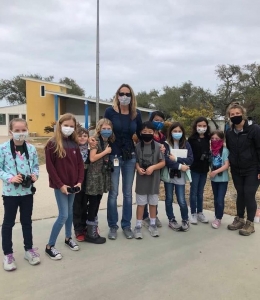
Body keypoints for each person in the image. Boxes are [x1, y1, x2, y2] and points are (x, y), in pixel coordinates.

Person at [0, 118, 40, 271]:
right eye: (17, 130)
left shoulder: (31, 149)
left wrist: (35, 175)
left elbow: (36, 166)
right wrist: (10, 178)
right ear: (10, 131)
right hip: (10, 192)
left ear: (27, 129)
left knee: (26, 221)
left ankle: (29, 250)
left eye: (23, 130)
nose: (20, 133)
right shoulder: (3, 148)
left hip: (27, 191)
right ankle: (8, 254)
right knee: (8, 223)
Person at [104, 83, 142, 240]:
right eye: (121, 93)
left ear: (131, 96)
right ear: (117, 95)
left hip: (130, 157)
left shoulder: (136, 114)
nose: (124, 96)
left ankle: (126, 225)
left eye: (127, 94)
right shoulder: (110, 112)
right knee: (113, 193)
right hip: (114, 156)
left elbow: (142, 134)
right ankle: (113, 225)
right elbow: (103, 130)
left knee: (127, 193)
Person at [45, 113, 84, 260]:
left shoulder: (74, 144)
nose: (68, 128)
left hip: (73, 185)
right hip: (61, 186)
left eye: (71, 126)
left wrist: (79, 181)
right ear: (59, 125)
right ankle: (50, 246)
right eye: (66, 125)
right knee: (63, 215)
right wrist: (60, 185)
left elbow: (80, 164)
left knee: (70, 212)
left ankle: (68, 238)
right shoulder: (52, 143)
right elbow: (50, 168)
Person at [225, 103, 260, 236]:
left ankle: (250, 224)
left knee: (249, 194)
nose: (235, 116)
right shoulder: (229, 132)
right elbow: (230, 149)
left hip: (252, 168)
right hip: (236, 169)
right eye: (232, 114)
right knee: (240, 193)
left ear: (243, 114)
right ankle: (240, 219)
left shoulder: (254, 129)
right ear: (229, 116)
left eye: (237, 113)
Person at [85, 118, 116, 244]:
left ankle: (93, 229)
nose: (107, 131)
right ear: (99, 129)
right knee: (93, 204)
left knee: (97, 203)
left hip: (102, 176)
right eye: (104, 128)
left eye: (109, 129)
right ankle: (90, 233)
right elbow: (92, 158)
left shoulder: (107, 140)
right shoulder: (96, 141)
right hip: (94, 177)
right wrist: (106, 152)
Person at [134, 121, 165, 239]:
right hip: (141, 181)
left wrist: (153, 167)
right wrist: (138, 168)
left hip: (154, 181)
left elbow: (163, 162)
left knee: (153, 203)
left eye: (150, 132)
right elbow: (135, 161)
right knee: (141, 204)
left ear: (154, 133)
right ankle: (138, 226)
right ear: (140, 133)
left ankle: (152, 224)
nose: (147, 134)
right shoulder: (137, 146)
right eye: (144, 132)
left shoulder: (158, 146)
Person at [163, 122, 193, 232]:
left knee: (181, 199)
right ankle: (171, 219)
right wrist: (180, 165)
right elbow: (166, 160)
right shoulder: (165, 144)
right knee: (169, 198)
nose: (177, 133)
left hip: (180, 177)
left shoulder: (186, 144)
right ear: (170, 132)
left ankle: (185, 219)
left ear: (183, 132)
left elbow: (190, 159)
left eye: (179, 131)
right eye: (175, 131)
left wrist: (176, 159)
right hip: (169, 176)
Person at [142, 110, 166, 228]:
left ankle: (153, 215)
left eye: (161, 121)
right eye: (156, 120)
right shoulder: (146, 135)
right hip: (145, 167)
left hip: (158, 168)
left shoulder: (162, 137)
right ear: (151, 120)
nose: (159, 123)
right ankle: (145, 216)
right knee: (145, 192)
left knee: (154, 192)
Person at [188, 117, 211, 225]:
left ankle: (200, 212)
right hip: (194, 168)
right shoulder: (192, 139)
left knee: (200, 192)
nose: (202, 128)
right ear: (196, 126)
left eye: (204, 126)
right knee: (194, 192)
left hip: (204, 168)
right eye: (199, 126)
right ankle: (192, 213)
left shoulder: (209, 138)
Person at [209, 130, 229, 229]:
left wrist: (215, 172)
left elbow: (226, 165)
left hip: (223, 179)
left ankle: (218, 218)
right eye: (212, 138)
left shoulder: (225, 150)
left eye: (217, 138)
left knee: (220, 199)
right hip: (214, 180)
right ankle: (217, 216)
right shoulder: (211, 150)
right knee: (216, 199)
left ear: (221, 139)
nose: (214, 140)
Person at [73, 128, 90, 242]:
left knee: (86, 204)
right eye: (80, 136)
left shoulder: (91, 151)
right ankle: (78, 229)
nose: (82, 138)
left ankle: (85, 227)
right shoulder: (73, 150)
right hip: (76, 180)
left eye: (85, 135)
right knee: (77, 205)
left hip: (88, 180)